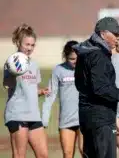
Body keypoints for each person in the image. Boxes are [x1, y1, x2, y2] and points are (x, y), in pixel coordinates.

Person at [73, 17, 119, 158]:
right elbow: (102, 89)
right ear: (103, 34)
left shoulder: (85, 52)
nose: (118, 38)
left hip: (87, 116)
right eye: (115, 34)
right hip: (101, 119)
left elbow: (79, 83)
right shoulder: (99, 56)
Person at [3, 24, 49, 158]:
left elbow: (30, 88)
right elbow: (7, 85)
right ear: (18, 42)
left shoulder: (34, 64)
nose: (29, 48)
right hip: (17, 114)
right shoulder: (12, 62)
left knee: (43, 155)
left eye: (32, 45)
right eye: (27, 44)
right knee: (19, 155)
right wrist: (13, 73)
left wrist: (40, 92)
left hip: (33, 114)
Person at [42, 40, 83, 158]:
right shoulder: (58, 70)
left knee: (84, 151)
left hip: (84, 119)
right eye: (71, 59)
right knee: (67, 154)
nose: (75, 62)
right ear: (65, 57)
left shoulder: (87, 69)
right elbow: (50, 95)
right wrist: (44, 119)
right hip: (66, 120)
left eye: (77, 58)